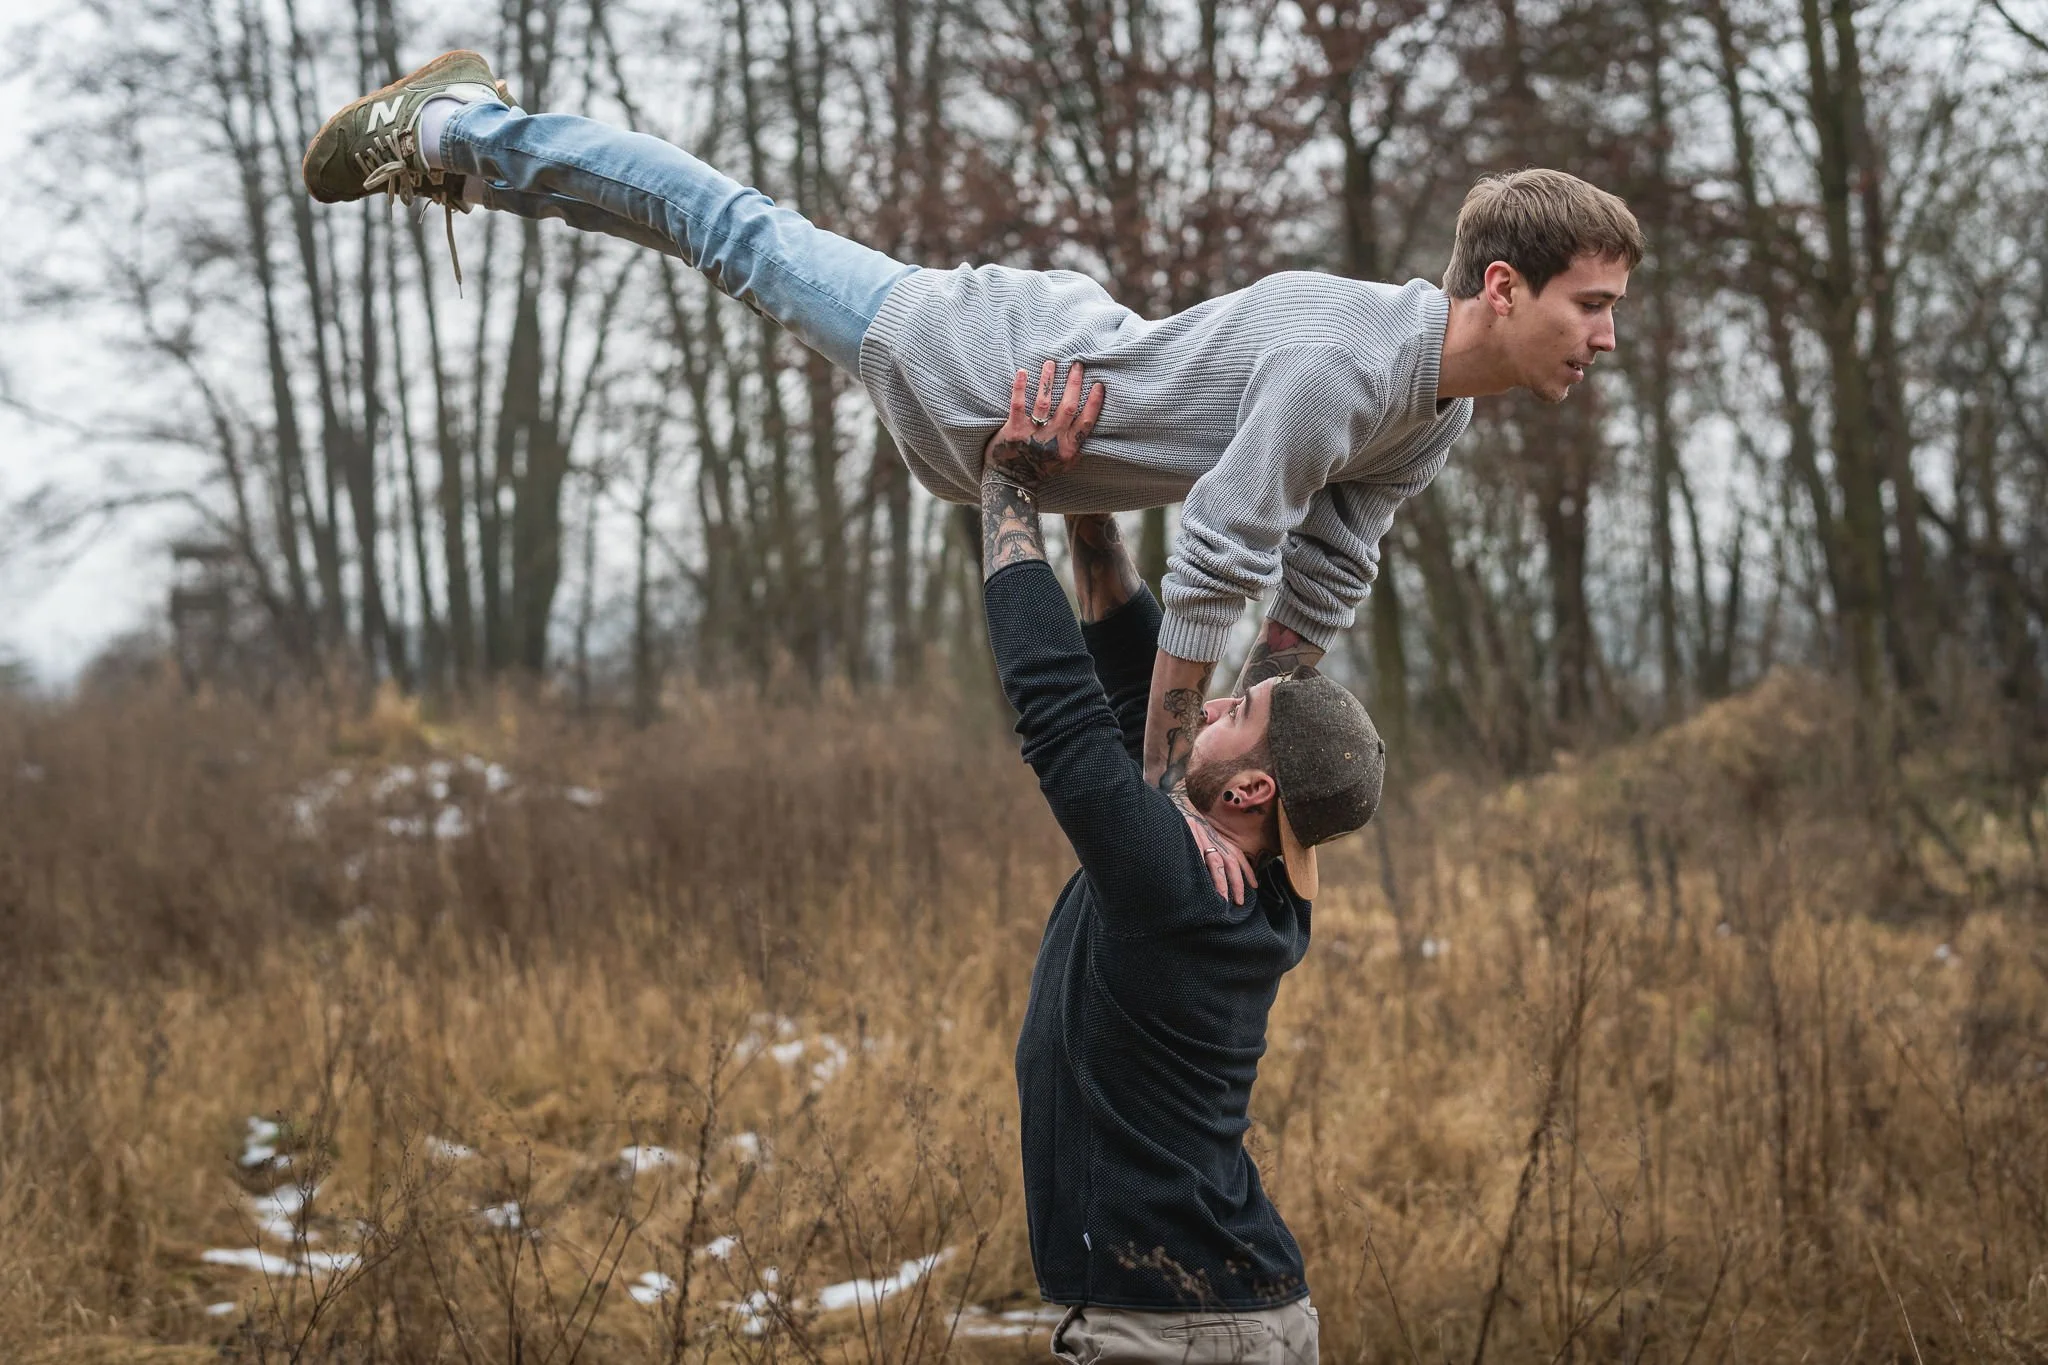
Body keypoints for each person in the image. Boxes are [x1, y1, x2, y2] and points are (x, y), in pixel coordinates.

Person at [302, 52, 1641, 897]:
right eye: (1590, 305)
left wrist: (1261, 732)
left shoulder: (1431, 408)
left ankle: (460, 142)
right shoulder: (1351, 362)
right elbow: (1220, 566)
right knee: (728, 225)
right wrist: (1165, 798)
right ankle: (464, 130)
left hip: (1047, 391)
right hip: (982, 367)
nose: (1606, 337)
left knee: (723, 237)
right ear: (1505, 286)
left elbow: (1323, 580)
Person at [970, 359, 1378, 1363]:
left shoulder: (1180, 885)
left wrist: (1007, 487)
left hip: (1176, 1332)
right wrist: (1086, 507)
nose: (1204, 706)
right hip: (1225, 1313)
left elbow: (1062, 713)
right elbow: (1130, 688)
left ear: (1248, 795)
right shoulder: (1248, 880)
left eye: (1232, 711)